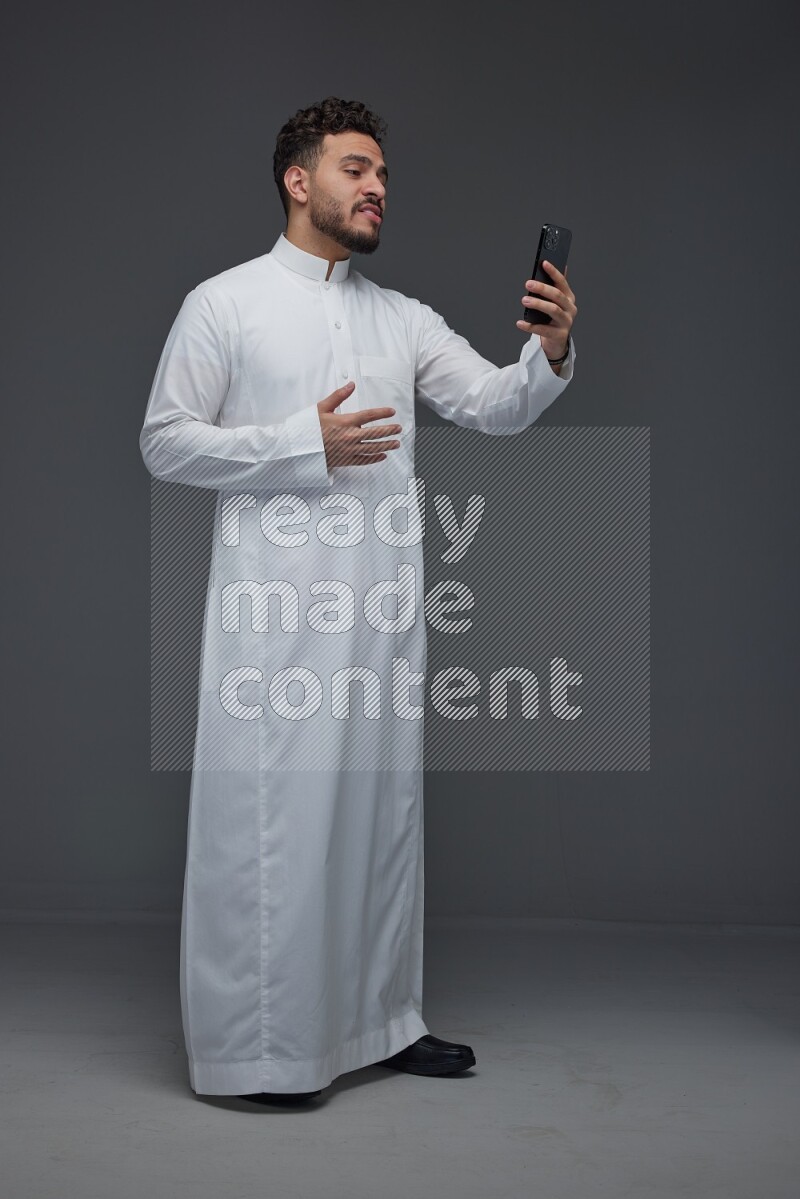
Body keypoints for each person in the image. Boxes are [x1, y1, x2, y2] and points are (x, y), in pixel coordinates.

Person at [139, 96, 577, 1106]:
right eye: (354, 168)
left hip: (378, 625)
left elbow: (491, 404)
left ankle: (384, 1021)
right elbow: (165, 439)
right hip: (274, 628)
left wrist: (547, 354)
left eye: (381, 172)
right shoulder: (227, 303)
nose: (375, 186)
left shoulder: (400, 318)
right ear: (298, 181)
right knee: (276, 830)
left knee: (380, 822)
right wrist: (302, 445)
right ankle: (264, 1050)